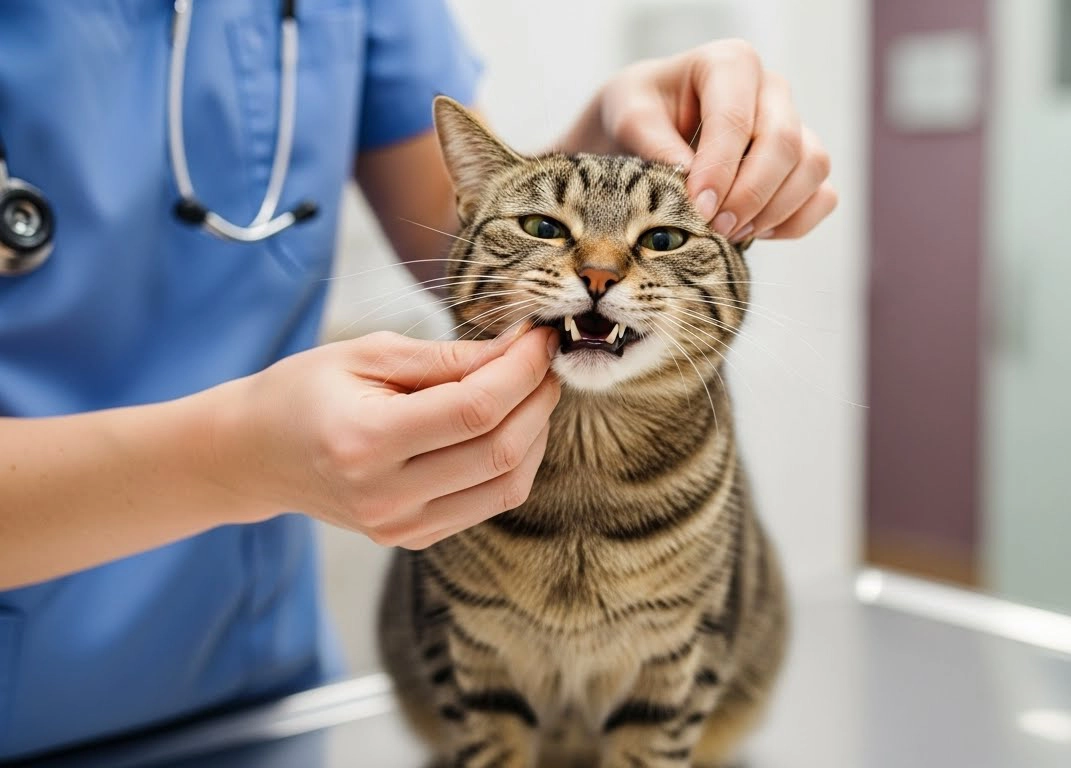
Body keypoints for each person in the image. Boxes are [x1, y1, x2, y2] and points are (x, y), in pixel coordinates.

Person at [0, 0, 835, 761]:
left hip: (251, 702)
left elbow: (462, 228)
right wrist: (236, 455)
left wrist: (599, 130)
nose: (602, 270)